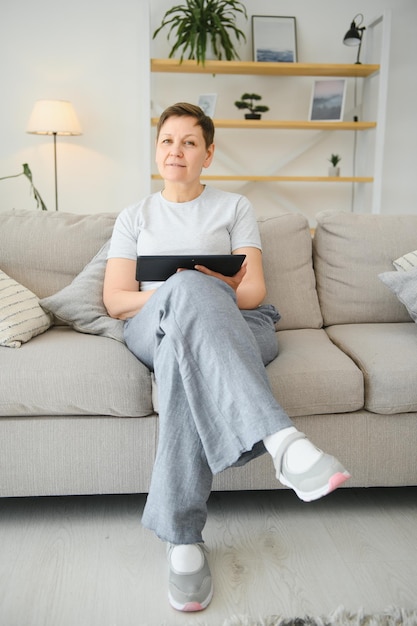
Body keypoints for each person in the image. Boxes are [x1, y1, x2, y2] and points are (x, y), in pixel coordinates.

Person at [103, 102, 350, 613]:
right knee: (186, 298)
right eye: (168, 140)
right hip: (154, 324)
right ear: (157, 150)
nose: (177, 151)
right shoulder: (135, 216)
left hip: (241, 326)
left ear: (208, 154)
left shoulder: (234, 209)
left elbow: (254, 291)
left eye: (189, 142)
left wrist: (201, 298)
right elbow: (117, 300)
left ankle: (184, 541)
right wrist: (184, 292)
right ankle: (284, 444)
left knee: (181, 356)